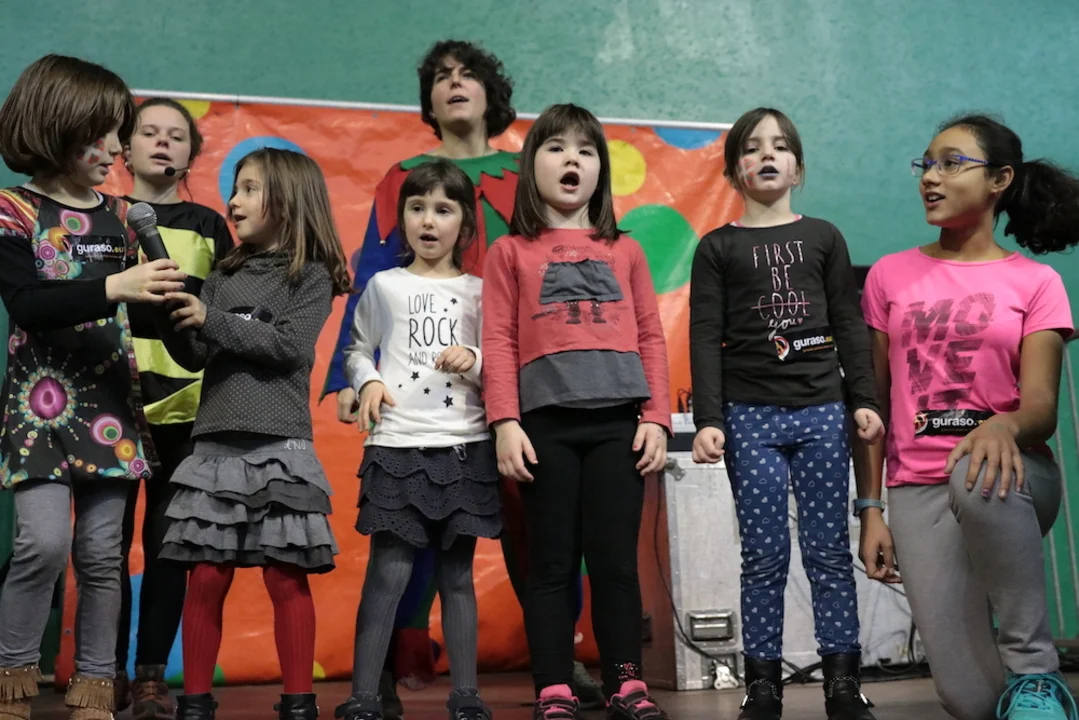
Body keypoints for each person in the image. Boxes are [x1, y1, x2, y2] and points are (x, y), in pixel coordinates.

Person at [323, 39, 602, 712]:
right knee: (410, 532)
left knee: (539, 524)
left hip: (525, 371)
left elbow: (562, 258)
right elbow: (371, 279)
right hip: (424, 402)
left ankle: (560, 661)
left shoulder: (526, 171)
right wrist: (349, 377)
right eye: (441, 76)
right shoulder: (403, 177)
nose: (454, 83)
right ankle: (387, 669)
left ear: (489, 92)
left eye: (467, 74)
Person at [857, 114, 1079, 720]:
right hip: (916, 489)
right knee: (970, 700)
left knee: (976, 470)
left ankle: (1036, 674)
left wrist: (1001, 425)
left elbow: (1040, 409)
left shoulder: (1037, 282)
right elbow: (873, 406)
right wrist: (871, 509)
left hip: (1012, 477)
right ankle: (1006, 692)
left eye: (951, 164)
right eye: (926, 164)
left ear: (1000, 179)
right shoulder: (888, 275)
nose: (930, 177)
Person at [0, 54, 186, 720]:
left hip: (111, 407)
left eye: (118, 133)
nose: (115, 149)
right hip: (40, 411)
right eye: (100, 134)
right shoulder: (13, 210)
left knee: (103, 555)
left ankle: (95, 690)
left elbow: (150, 313)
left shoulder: (127, 216)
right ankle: (12, 681)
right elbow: (27, 304)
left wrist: (183, 311)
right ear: (57, 128)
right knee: (42, 545)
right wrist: (115, 286)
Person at [689, 107, 882, 720]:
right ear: (734, 171)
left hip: (821, 411)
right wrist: (710, 418)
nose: (767, 154)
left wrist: (865, 400)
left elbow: (848, 323)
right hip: (750, 418)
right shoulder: (718, 247)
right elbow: (705, 335)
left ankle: (843, 683)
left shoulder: (824, 237)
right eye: (752, 147)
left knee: (829, 552)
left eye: (779, 146)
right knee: (764, 555)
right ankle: (763, 686)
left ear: (798, 167)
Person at [482, 103, 671, 720]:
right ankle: (554, 685)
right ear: (531, 165)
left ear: (599, 171)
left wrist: (656, 417)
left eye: (586, 151)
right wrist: (505, 422)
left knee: (616, 562)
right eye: (556, 148)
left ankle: (626, 682)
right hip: (545, 427)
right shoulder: (510, 251)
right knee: (550, 563)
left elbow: (651, 335)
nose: (572, 159)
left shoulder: (626, 250)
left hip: (618, 424)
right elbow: (499, 340)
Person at [156, 148, 351, 720]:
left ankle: (299, 702)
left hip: (279, 450)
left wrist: (211, 319)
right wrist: (172, 316)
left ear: (287, 200)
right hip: (214, 450)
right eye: (234, 188)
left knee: (286, 576)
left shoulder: (310, 276)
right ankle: (195, 702)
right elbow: (196, 355)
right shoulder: (223, 274)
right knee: (206, 576)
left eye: (248, 189)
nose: (233, 201)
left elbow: (288, 347)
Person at [336, 160, 499, 720]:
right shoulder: (385, 285)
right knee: (388, 571)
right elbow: (357, 348)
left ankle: (466, 696)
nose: (429, 220)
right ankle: (363, 696)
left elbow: (501, 359)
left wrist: (474, 357)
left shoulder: (481, 292)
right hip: (397, 447)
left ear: (465, 224)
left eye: (443, 209)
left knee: (457, 575)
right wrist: (368, 381)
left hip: (464, 446)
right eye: (417, 208)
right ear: (403, 218)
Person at [115, 96, 235, 720]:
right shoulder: (102, 217)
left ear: (191, 154)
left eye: (176, 135)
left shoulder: (209, 225)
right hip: (111, 405)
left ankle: (149, 678)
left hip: (187, 409)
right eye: (149, 132)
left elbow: (226, 310)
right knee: (104, 549)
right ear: (124, 147)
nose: (162, 142)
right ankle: (102, 670)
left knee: (168, 547)